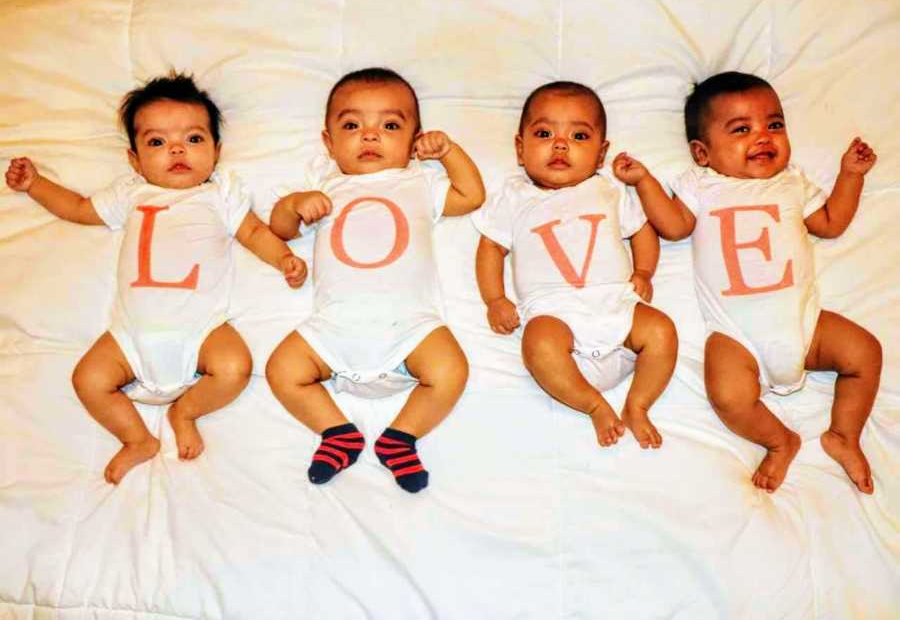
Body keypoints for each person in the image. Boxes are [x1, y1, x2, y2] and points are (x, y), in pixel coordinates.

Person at [5, 73, 306, 485]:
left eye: (194, 139)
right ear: (134, 159)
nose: (177, 149)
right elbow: (77, 208)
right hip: (130, 335)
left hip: (201, 331)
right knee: (88, 380)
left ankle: (185, 411)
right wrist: (36, 185)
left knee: (234, 367)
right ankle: (137, 439)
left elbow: (254, 233)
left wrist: (284, 258)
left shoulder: (219, 196)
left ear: (217, 151)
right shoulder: (130, 194)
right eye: (157, 142)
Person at [631, 71, 881, 493]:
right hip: (737, 335)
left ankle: (844, 434)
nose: (763, 137)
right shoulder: (703, 186)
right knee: (728, 396)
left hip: (806, 324)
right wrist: (644, 184)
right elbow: (673, 228)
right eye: (742, 129)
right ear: (702, 153)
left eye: (774, 125)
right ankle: (779, 440)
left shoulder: (792, 183)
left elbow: (832, 223)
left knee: (865, 353)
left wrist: (850, 175)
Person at [265, 68, 485, 493]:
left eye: (389, 126)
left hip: (410, 326)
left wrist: (449, 152)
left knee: (451, 369)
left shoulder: (418, 181)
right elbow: (281, 228)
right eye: (351, 125)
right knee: (282, 369)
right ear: (328, 142)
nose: (369, 136)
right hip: (334, 326)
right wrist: (295, 204)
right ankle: (336, 432)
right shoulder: (325, 181)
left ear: (414, 140)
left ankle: (401, 437)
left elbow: (471, 196)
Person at [473, 81, 677, 449]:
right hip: (556, 318)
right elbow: (490, 247)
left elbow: (642, 229)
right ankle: (593, 404)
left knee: (662, 330)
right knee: (538, 343)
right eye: (544, 133)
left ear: (601, 154)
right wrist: (494, 299)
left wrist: (643, 271)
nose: (560, 144)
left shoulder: (610, 190)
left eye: (579, 135)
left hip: (617, 308)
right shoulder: (514, 196)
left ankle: (638, 404)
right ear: (520, 148)